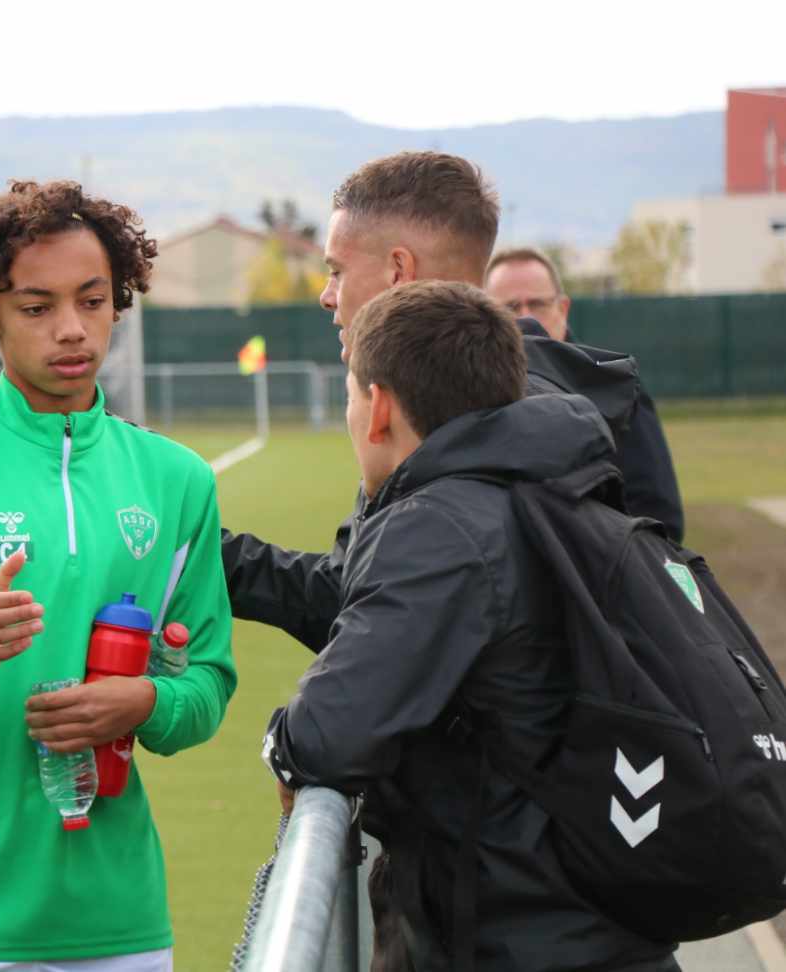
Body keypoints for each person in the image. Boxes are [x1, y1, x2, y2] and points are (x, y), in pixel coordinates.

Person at [262, 279, 680, 971]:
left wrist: (282, 746)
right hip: (602, 925)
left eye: (351, 396)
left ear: (379, 408)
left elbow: (330, 732)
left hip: (523, 942)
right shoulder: (552, 487)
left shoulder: (439, 525)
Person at [0, 180, 236, 971]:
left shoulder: (178, 479)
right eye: (37, 307)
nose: (72, 328)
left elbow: (208, 683)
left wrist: (146, 701)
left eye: (92, 300)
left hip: (122, 925)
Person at [222, 151, 664, 641]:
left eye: (337, 271)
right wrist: (199, 553)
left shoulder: (473, 423)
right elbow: (359, 591)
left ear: (398, 271)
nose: (327, 295)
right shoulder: (488, 404)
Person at [485, 246, 684, 540]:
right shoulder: (476, 397)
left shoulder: (615, 391)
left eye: (537, 304)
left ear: (563, 309)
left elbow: (659, 513)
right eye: (510, 307)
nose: (526, 318)